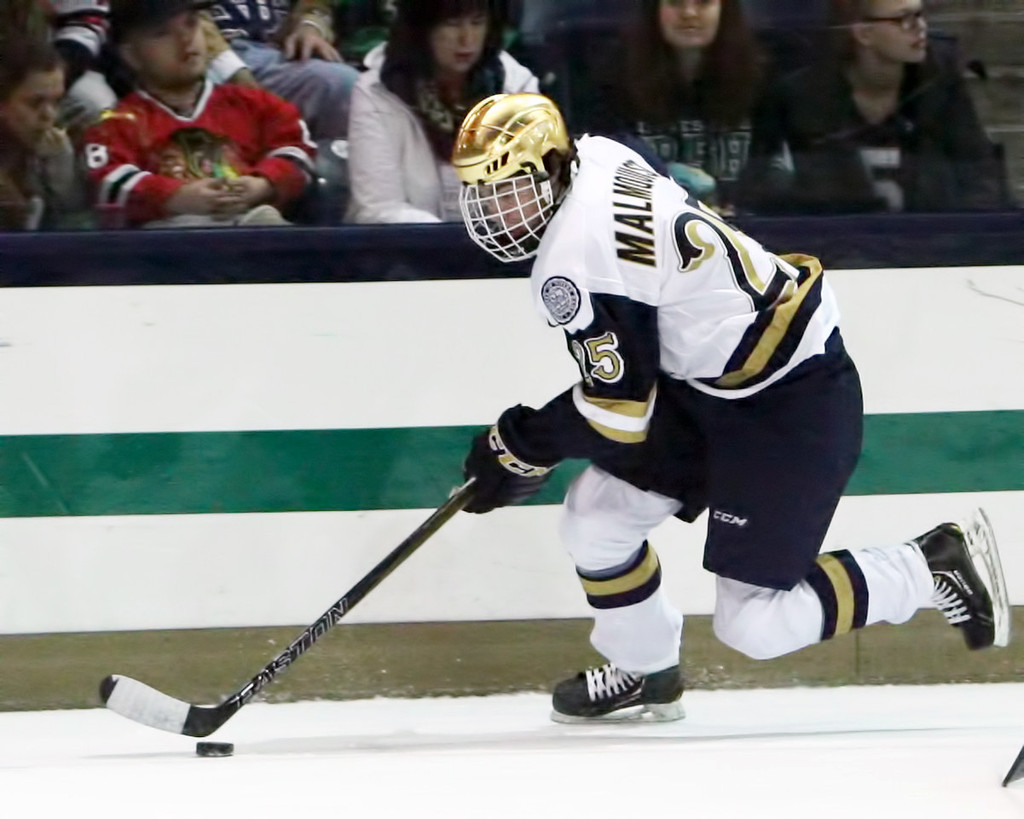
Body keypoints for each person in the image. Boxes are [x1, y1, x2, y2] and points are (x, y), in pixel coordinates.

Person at [451, 92, 1010, 722]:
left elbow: (618, 412)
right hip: (714, 383)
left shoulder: (574, 263)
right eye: (480, 193)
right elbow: (656, 194)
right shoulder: (599, 155)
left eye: (506, 190)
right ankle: (643, 668)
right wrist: (526, 448)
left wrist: (520, 444)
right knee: (596, 519)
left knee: (755, 625)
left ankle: (928, 565)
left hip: (789, 400)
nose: (491, 212)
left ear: (552, 168)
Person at [82, 0, 317, 228]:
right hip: (167, 252)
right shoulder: (116, 123)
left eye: (191, 24)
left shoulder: (256, 104)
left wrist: (264, 184)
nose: (186, 40)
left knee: (267, 224)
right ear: (131, 56)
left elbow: (300, 150)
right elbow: (105, 180)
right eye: (163, 33)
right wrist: (175, 197)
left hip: (253, 238)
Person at [758, 0, 1005, 213]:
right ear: (863, 33)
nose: (921, 28)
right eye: (904, 19)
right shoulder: (803, 98)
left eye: (920, 15)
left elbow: (982, 179)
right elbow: (770, 192)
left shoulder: (938, 82)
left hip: (936, 247)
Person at [345, 0, 538, 224]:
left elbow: (535, 191)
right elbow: (378, 208)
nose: (467, 38)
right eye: (452, 24)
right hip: (405, 252)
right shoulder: (376, 93)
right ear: (421, 28)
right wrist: (449, 243)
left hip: (500, 251)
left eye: (477, 23)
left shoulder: (516, 87)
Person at [585, 0, 778, 214]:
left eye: (703, 2)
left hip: (746, 229)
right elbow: (598, 169)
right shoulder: (613, 77)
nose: (689, 13)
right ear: (655, 10)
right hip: (645, 228)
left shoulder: (763, 79)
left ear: (725, 9)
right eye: (675, 2)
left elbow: (777, 176)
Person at [203, 1, 359, 141]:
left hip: (277, 52)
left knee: (343, 84)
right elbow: (186, 15)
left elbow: (316, 5)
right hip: (210, 55)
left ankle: (320, 164)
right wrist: (235, 72)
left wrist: (310, 25)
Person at [0, 37, 87, 230]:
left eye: (56, 102)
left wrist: (59, 167)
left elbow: (75, 229)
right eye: (35, 103)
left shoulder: (57, 148)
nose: (49, 115)